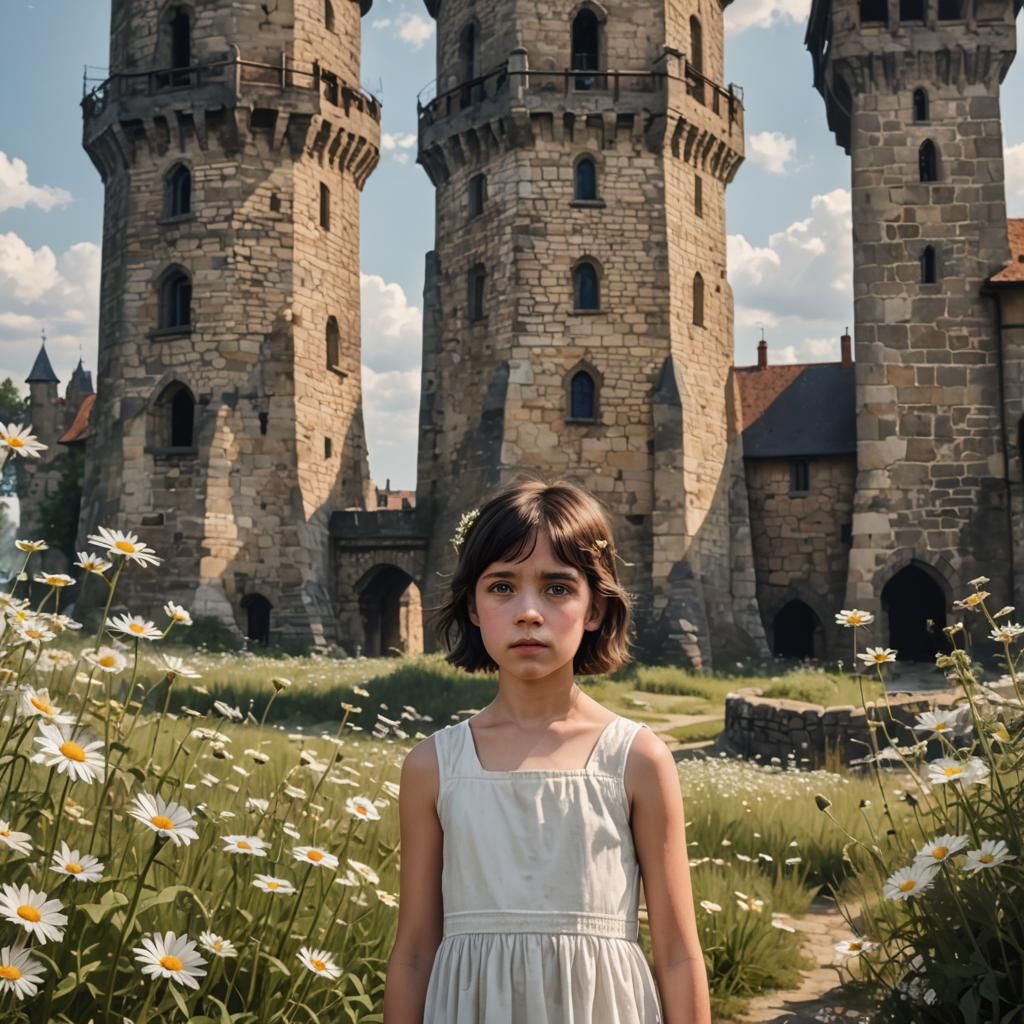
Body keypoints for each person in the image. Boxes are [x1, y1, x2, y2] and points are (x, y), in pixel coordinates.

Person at [383, 479, 711, 1024]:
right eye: (502, 587)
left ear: (596, 610)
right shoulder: (432, 767)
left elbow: (678, 955)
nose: (528, 612)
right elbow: (415, 954)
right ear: (472, 605)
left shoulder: (637, 760)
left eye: (557, 588)